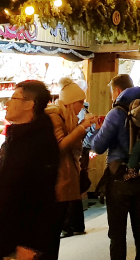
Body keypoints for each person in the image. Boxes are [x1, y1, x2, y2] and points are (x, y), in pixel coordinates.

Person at [0, 80, 59, 260]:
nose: (8, 103)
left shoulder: (41, 144)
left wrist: (30, 243)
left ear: (29, 105)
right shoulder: (16, 137)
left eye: (14, 98)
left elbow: (43, 196)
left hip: (15, 237)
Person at [91, 75, 140, 260]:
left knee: (117, 233)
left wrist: (94, 131)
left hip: (120, 179)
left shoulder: (116, 113)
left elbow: (98, 146)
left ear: (117, 91)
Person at [44, 78, 98, 259]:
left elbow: (74, 144)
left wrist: (87, 128)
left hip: (67, 176)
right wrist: (82, 127)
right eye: (80, 102)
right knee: (51, 234)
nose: (82, 106)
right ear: (70, 102)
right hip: (57, 179)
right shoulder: (54, 116)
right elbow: (60, 145)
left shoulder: (69, 117)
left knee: (55, 231)